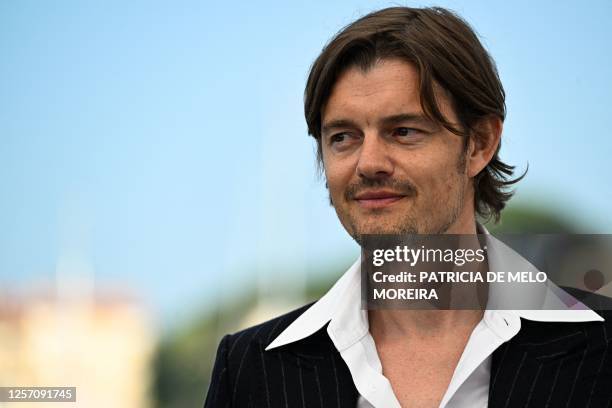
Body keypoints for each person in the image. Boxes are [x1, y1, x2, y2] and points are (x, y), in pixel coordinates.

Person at [204, 6, 612, 407]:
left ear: (481, 143)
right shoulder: (249, 370)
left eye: (403, 131)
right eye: (344, 137)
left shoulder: (603, 348)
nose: (369, 164)